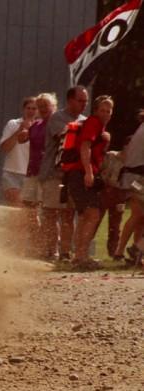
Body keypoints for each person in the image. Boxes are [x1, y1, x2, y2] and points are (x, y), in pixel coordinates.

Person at [38, 86, 88, 261]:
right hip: (53, 173)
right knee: (51, 213)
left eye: (85, 101)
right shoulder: (57, 118)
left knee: (68, 214)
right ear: (70, 100)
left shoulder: (85, 120)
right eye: (80, 100)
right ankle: (51, 250)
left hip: (73, 175)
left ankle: (66, 252)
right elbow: (67, 135)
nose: (84, 104)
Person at [63, 95, 113, 270]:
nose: (106, 113)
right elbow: (85, 146)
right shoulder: (93, 123)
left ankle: (79, 256)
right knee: (93, 214)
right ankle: (81, 256)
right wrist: (89, 173)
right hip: (81, 173)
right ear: (95, 111)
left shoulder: (100, 127)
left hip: (79, 173)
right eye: (102, 110)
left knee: (86, 215)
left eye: (109, 110)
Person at [0, 96, 38, 254]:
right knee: (18, 211)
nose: (31, 111)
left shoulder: (40, 127)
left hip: (30, 176)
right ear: (23, 109)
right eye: (28, 108)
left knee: (31, 217)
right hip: (12, 174)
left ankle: (32, 249)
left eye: (34, 108)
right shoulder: (12, 124)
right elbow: (4, 148)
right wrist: (19, 131)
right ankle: (15, 248)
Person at [22, 92, 58, 257]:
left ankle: (53, 249)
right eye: (40, 106)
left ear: (54, 107)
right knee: (30, 211)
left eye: (46, 105)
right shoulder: (35, 125)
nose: (42, 109)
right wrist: (23, 132)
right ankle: (39, 245)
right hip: (32, 171)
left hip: (49, 173)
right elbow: (22, 139)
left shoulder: (56, 124)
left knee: (49, 212)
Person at [114, 115, 144, 263]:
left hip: (133, 178)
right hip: (137, 179)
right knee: (138, 215)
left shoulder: (141, 127)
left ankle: (124, 251)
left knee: (138, 216)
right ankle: (137, 248)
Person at [99, 136, 129, 260]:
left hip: (120, 194)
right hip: (104, 191)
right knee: (95, 220)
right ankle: (84, 250)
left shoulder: (132, 163)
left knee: (115, 226)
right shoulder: (111, 156)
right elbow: (101, 170)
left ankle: (114, 252)